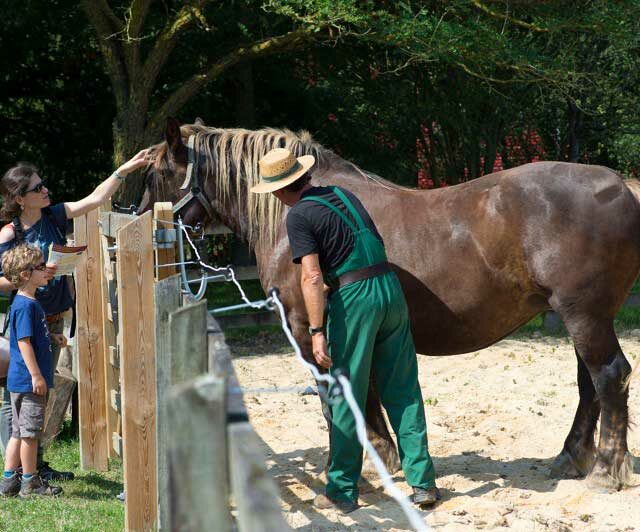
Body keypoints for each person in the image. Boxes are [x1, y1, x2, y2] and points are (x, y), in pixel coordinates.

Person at [251, 148, 440, 513]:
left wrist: (318, 330)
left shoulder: (299, 216)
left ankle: (341, 489)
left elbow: (311, 276)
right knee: (402, 389)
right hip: (390, 289)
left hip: (355, 299)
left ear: (277, 191)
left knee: (345, 395)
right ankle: (423, 483)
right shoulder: (342, 195)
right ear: (302, 176)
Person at [0, 149, 150, 480]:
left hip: (52, 319)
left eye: (43, 185)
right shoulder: (10, 234)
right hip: (25, 319)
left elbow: (95, 199)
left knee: (40, 393)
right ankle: (20, 471)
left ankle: (31, 465)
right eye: (37, 188)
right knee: (20, 394)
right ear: (20, 199)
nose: (45, 190)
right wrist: (32, 274)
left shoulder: (54, 216)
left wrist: (123, 170)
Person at [0, 244, 64, 497]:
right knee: (30, 434)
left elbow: (31, 336)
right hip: (29, 382)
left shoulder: (23, 302)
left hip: (19, 381)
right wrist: (37, 376)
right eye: (40, 267)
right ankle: (30, 482)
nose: (46, 270)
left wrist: (52, 336)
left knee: (17, 431)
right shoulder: (28, 305)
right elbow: (24, 342)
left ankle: (8, 481)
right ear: (26, 274)